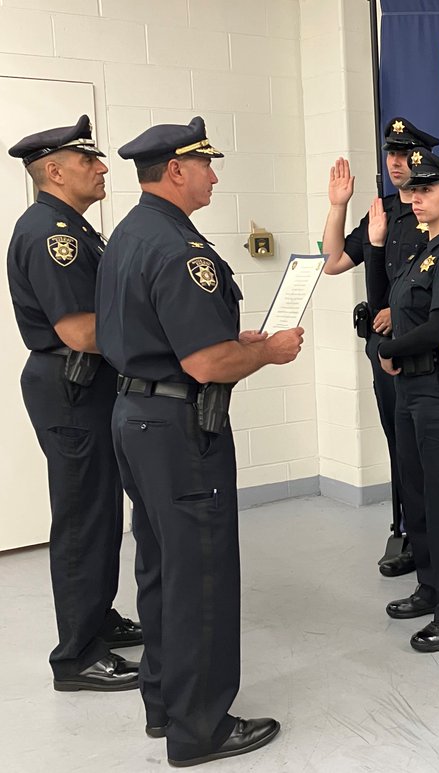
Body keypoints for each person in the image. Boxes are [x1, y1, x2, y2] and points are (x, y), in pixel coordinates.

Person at [96, 117, 302, 765]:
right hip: (182, 430)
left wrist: (234, 343)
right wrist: (268, 351)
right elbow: (206, 365)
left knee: (161, 567)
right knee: (201, 575)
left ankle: (164, 703)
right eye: (206, 165)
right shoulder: (182, 250)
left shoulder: (131, 233)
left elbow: (161, 334)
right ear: (177, 171)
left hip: (136, 414)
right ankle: (200, 727)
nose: (215, 176)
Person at [6, 115, 141, 692]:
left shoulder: (76, 228)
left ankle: (97, 617)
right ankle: (78, 656)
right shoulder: (51, 235)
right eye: (90, 161)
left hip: (86, 385)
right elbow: (82, 332)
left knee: (103, 510)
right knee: (85, 518)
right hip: (72, 384)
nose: (103, 167)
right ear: (55, 171)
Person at [321, 117, 439, 578]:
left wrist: (396, 310)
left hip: (424, 356)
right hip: (389, 353)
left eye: (405, 156)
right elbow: (331, 262)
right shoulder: (383, 211)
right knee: (403, 451)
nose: (396, 164)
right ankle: (410, 535)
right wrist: (338, 207)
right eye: (389, 155)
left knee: (435, 465)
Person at [375, 148, 439, 653]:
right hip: (411, 388)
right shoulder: (422, 248)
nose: (416, 198)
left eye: (428, 191)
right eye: (414, 190)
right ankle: (432, 586)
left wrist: (388, 349)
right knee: (416, 494)